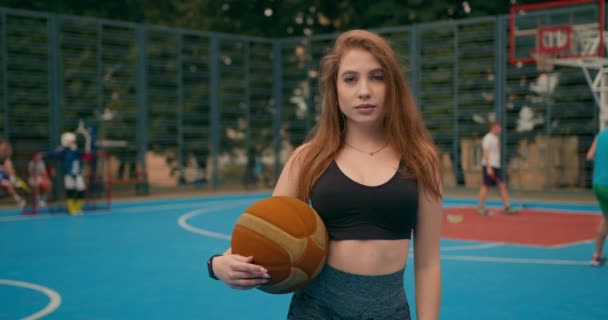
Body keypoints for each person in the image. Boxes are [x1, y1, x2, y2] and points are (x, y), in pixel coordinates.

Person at [206, 30, 442, 320]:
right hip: (316, 311)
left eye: (377, 77)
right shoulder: (308, 158)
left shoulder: (421, 160)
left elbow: (428, 262)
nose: (364, 90)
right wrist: (218, 264)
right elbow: (267, 233)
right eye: (350, 79)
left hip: (389, 312)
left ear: (392, 86)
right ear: (335, 89)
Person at [477, 121, 517, 215]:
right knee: (485, 186)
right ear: (493, 128)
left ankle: (507, 207)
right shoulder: (488, 138)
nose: (500, 129)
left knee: (502, 186)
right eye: (498, 128)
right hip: (489, 166)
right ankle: (480, 207)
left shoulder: (496, 138)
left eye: (500, 128)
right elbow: (485, 152)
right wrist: (489, 167)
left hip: (497, 166)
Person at [47, 132, 88, 215]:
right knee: (70, 191)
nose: (74, 142)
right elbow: (54, 154)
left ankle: (77, 208)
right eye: (72, 141)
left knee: (81, 190)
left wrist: (87, 148)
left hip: (78, 174)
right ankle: (71, 209)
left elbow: (86, 156)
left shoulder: (77, 151)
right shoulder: (64, 151)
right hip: (69, 174)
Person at [586, 127, 608, 266]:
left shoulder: (600, 135)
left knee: (606, 218)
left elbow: (589, 156)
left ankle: (597, 255)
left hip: (598, 184)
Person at [0, 139, 26, 208]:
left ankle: (13, 180)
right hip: (2, 178)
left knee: (8, 184)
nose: (4, 150)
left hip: (3, 177)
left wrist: (8, 171)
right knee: (8, 183)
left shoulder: (6, 160)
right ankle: (13, 181)